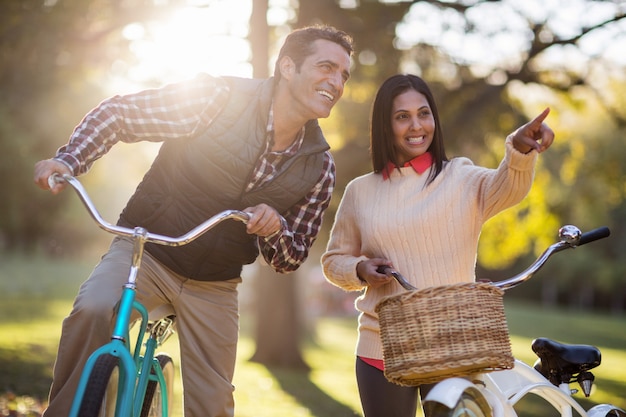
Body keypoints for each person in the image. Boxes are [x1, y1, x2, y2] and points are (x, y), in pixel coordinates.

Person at [33, 25, 353, 417]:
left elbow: (291, 256)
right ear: (288, 66)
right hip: (146, 253)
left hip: (213, 285)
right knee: (93, 309)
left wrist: (276, 229)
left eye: (343, 75)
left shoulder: (319, 167)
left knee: (214, 403)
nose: (336, 82)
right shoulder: (217, 98)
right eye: (326, 67)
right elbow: (121, 115)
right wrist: (69, 160)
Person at [321, 74, 554, 417]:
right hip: (380, 346)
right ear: (385, 125)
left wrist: (519, 149)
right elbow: (333, 261)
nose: (416, 125)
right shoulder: (360, 191)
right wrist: (359, 269)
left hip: (455, 346)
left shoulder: (461, 177)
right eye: (402, 116)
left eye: (424, 113)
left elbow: (509, 187)